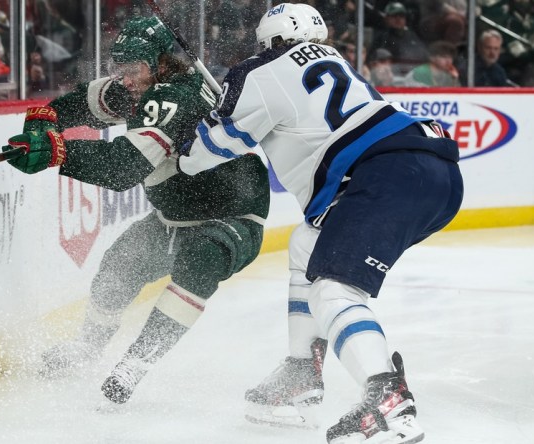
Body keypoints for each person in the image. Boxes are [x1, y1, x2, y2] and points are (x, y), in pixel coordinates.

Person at [180, 3, 463, 443]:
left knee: (334, 290)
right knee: (305, 245)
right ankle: (300, 375)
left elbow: (201, 156)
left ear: (269, 41)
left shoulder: (258, 70)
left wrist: (202, 125)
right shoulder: (336, 59)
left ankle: (388, 403)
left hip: (382, 176)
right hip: (435, 170)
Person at [2, 16, 270, 405]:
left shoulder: (175, 96)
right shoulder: (138, 86)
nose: (124, 79)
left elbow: (124, 167)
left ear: (161, 64)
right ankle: (87, 348)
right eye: (120, 70)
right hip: (173, 217)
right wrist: (50, 116)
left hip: (232, 217)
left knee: (200, 260)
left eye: (133, 70)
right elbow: (86, 101)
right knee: (119, 266)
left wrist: (57, 151)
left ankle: (135, 364)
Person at [369, 1, 428, 75]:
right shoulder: (381, 38)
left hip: (415, 76)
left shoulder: (413, 37)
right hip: (392, 77)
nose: (398, 19)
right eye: (394, 16)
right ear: (386, 18)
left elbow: (424, 56)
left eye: (401, 16)